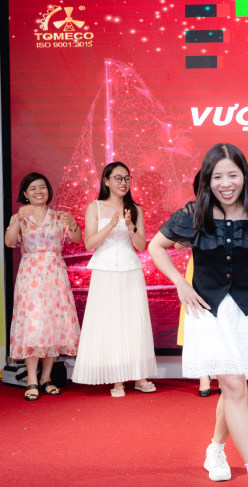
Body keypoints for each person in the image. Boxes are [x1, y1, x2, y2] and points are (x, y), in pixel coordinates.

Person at [148, 143, 248, 487]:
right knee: (232, 385)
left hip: (246, 310)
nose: (225, 184)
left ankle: (215, 448)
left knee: (234, 387)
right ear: (207, 179)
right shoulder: (194, 212)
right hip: (208, 311)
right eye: (217, 177)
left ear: (244, 176)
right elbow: (156, 246)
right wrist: (181, 283)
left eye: (232, 175)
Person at [72, 162, 157, 397]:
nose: (123, 183)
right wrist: (110, 225)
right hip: (105, 271)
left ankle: (139, 376)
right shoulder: (95, 207)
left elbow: (141, 245)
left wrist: (130, 227)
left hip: (130, 270)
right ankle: (116, 379)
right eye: (118, 178)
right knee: (110, 322)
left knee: (134, 322)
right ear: (106, 181)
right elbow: (89, 244)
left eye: (127, 178)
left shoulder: (135, 208)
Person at [5, 173, 82, 401]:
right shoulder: (20, 217)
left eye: (42, 187)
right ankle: (31, 379)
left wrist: (73, 223)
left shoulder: (58, 217)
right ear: (25, 194)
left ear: (48, 191)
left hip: (55, 275)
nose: (38, 191)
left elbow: (77, 238)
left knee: (52, 324)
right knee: (33, 324)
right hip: (30, 276)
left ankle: (46, 378)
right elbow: (9, 242)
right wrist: (17, 220)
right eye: (33, 188)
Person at [175, 170, 218, 397]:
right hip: (199, 269)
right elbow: (177, 243)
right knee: (200, 321)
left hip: (225, 269)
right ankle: (203, 375)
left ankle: (221, 372)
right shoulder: (193, 210)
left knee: (221, 322)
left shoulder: (233, 208)